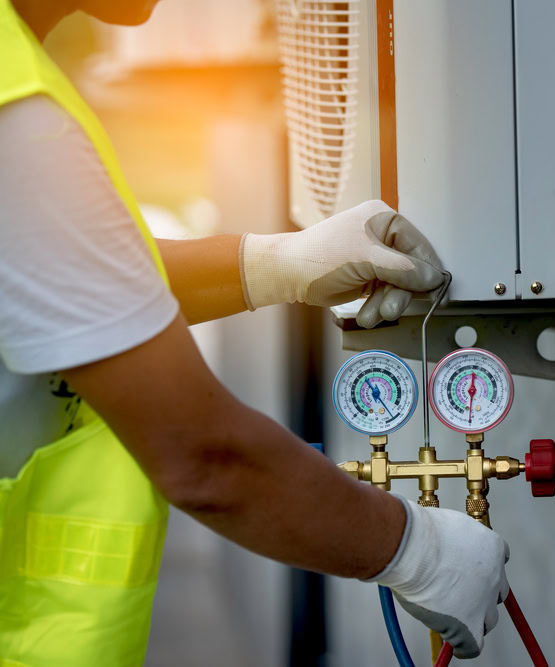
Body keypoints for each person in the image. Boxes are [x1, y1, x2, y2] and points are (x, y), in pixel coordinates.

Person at [0, 1, 509, 664]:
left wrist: (272, 266)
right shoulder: (20, 115)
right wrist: (417, 549)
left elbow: (60, 282)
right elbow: (206, 458)